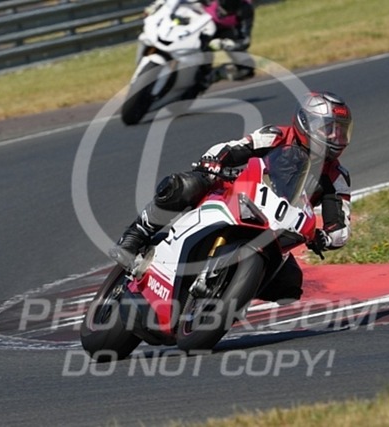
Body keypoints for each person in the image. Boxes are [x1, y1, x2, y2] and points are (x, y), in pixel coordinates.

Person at [110, 91, 353, 302]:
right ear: (306, 122)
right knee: (185, 185)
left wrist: (326, 237)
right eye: (329, 130)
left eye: (342, 132)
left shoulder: (336, 176)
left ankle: (228, 296)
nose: (336, 138)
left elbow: (341, 224)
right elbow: (234, 147)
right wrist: (213, 163)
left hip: (278, 228)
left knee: (289, 286)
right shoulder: (276, 135)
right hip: (243, 196)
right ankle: (137, 233)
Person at [143, 0, 255, 96]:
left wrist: (225, 44)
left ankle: (212, 76)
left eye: (229, 10)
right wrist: (158, 4)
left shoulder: (245, 9)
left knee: (246, 69)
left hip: (222, 33)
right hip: (198, 22)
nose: (223, 13)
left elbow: (245, 40)